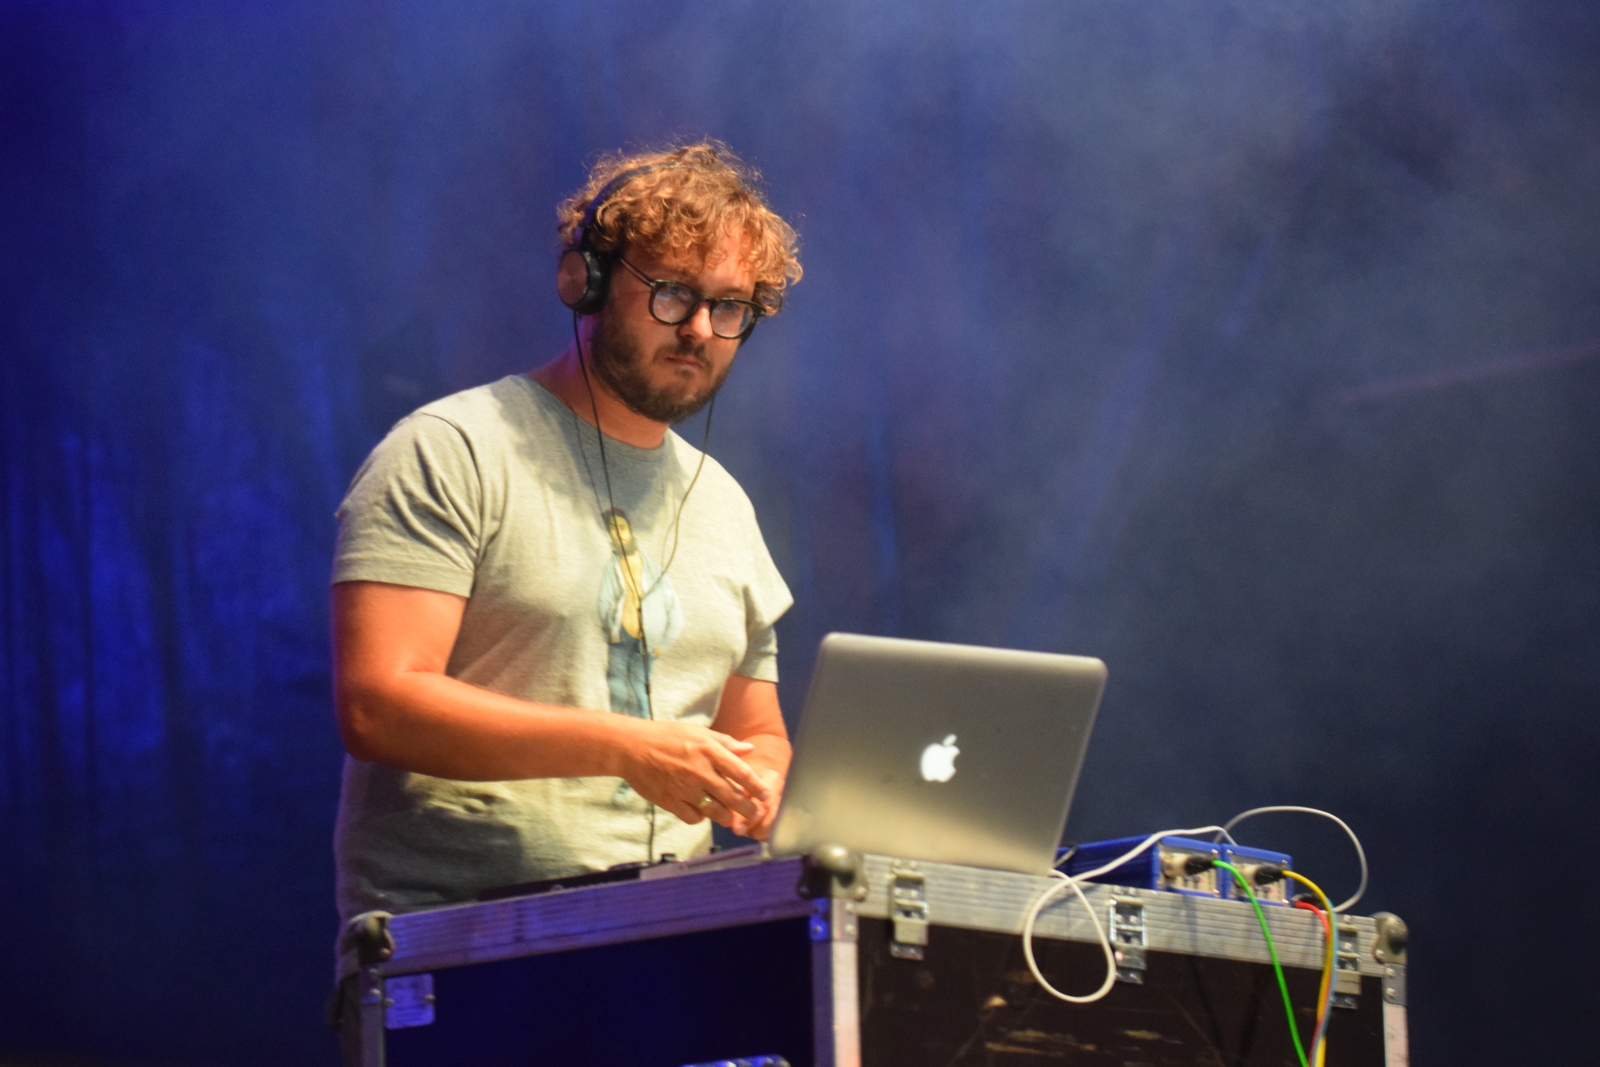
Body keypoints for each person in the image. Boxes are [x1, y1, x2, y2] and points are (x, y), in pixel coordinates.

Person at [329, 141, 803, 924]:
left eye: (729, 308)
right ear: (585, 283)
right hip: (465, 938)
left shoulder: (724, 504)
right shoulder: (452, 449)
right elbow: (378, 705)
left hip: (673, 929)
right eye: (673, 293)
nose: (699, 329)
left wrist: (760, 779)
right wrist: (626, 746)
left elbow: (757, 730)